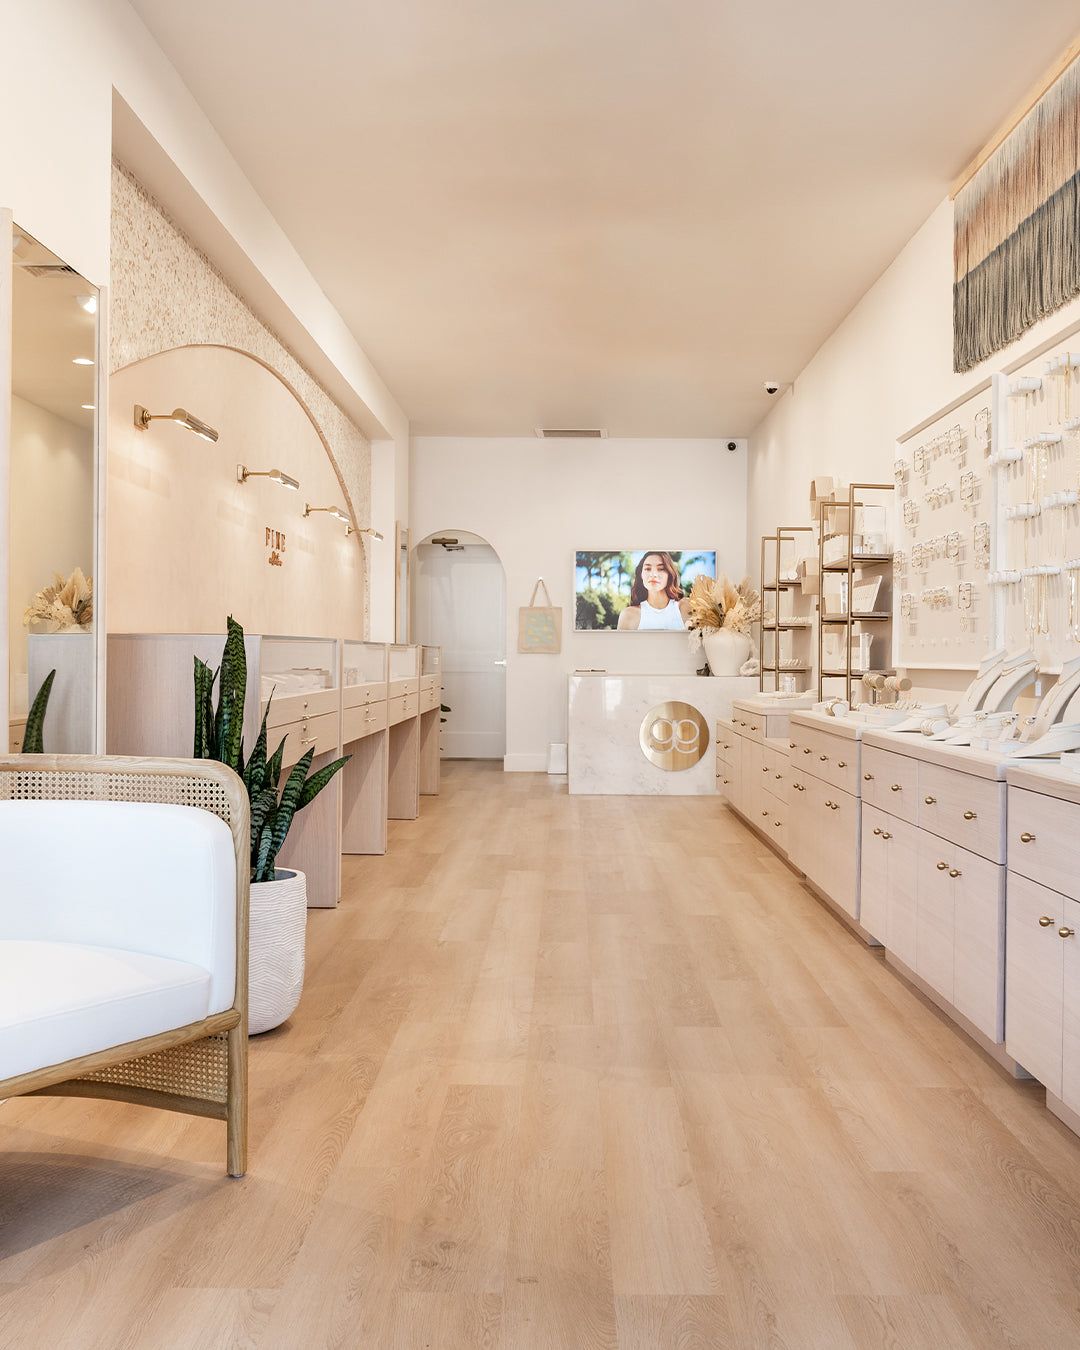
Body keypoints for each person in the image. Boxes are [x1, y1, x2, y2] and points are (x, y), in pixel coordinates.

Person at [617, 551, 692, 630]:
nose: (653, 574)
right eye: (647, 569)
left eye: (661, 569)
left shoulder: (687, 606)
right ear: (641, 575)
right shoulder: (629, 615)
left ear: (669, 574)